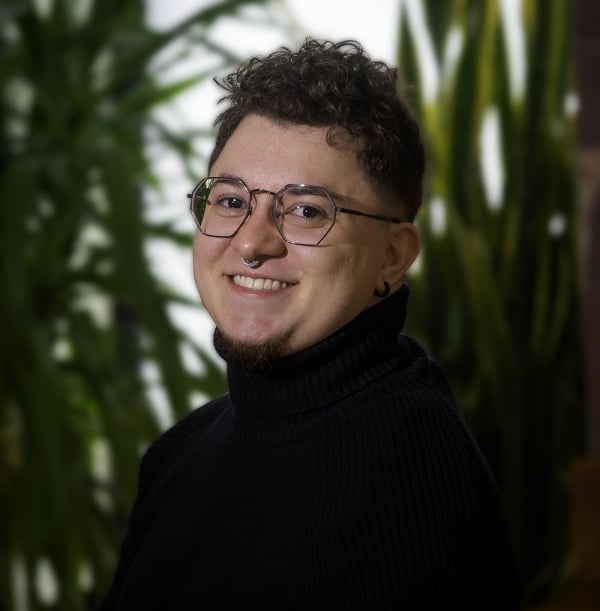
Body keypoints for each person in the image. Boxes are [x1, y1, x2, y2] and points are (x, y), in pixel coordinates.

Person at [101, 39, 520, 610]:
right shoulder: (181, 452)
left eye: (306, 211)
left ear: (393, 257)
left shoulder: (409, 498)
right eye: (229, 200)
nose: (251, 243)